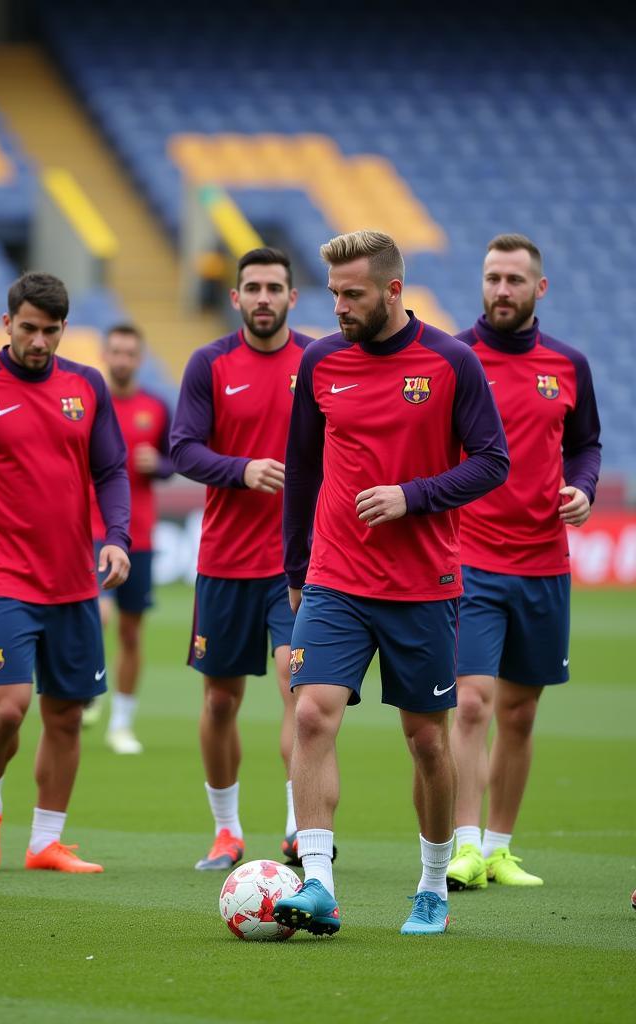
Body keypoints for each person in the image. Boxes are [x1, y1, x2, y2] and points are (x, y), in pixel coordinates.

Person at [274, 229, 509, 937]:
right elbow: (303, 472)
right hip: (335, 578)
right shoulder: (319, 361)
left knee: (426, 743)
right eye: (334, 293)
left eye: (354, 294)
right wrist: (295, 568)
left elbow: (493, 462)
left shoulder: (451, 362)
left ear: (393, 290)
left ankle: (433, 884)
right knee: (311, 712)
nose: (339, 306)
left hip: (423, 585)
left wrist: (414, 495)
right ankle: (317, 882)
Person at [0, 271, 130, 874]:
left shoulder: (87, 386)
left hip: (73, 581)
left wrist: (116, 538)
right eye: (29, 328)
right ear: (7, 322)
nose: (39, 341)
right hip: (2, 578)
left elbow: (111, 471)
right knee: (9, 708)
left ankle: (45, 841)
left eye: (52, 330)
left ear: (65, 329)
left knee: (66, 715)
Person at [446, 234, 601, 891]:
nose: (501, 290)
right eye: (492, 278)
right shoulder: (453, 358)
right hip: (470, 557)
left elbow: (586, 443)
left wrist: (583, 488)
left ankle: (500, 849)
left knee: (520, 713)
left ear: (540, 289)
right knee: (474, 702)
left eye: (514, 279)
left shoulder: (568, 364)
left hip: (543, 561)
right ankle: (463, 845)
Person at [170, 247, 313, 871]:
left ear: (291, 297)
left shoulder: (317, 359)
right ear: (235, 298)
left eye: (273, 287)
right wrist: (242, 469)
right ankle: (227, 832)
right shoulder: (209, 363)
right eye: (251, 287)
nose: (262, 297)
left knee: (299, 693)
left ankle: (296, 828)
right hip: (226, 561)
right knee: (221, 702)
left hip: (297, 566)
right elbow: (182, 450)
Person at [87, 323, 173, 755]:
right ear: (105, 353)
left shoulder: (155, 407)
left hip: (139, 534)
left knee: (132, 633)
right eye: (115, 351)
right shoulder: (85, 403)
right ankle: (85, 690)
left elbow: (177, 457)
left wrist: (157, 463)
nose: (121, 359)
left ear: (139, 358)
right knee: (95, 614)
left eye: (129, 353)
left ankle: (120, 722)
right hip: (93, 529)